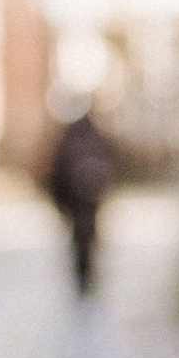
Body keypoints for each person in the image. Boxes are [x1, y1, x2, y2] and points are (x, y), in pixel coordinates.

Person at [46, 100, 118, 297]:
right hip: (89, 202)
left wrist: (60, 205)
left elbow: (55, 173)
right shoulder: (96, 138)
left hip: (77, 203)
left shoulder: (68, 139)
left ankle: (83, 280)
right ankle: (87, 279)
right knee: (89, 239)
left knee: (80, 240)